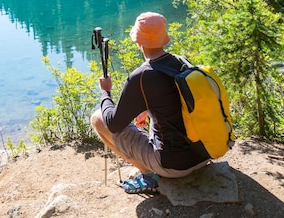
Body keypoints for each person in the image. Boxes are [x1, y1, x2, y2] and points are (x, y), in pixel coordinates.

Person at [90, 12, 211, 195]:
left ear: (139, 42)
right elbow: (175, 100)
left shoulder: (141, 77)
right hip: (203, 155)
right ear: (163, 39)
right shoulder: (181, 62)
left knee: (98, 118)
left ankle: (150, 176)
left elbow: (113, 124)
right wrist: (147, 108)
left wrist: (105, 91)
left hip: (174, 166)